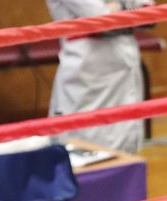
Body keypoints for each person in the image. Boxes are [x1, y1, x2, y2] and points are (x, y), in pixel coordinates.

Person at [46, 0, 152, 154]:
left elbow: (148, 13)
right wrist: (127, 9)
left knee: (126, 153)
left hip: (125, 65)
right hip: (88, 74)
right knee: (82, 151)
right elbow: (102, 17)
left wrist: (120, 9)